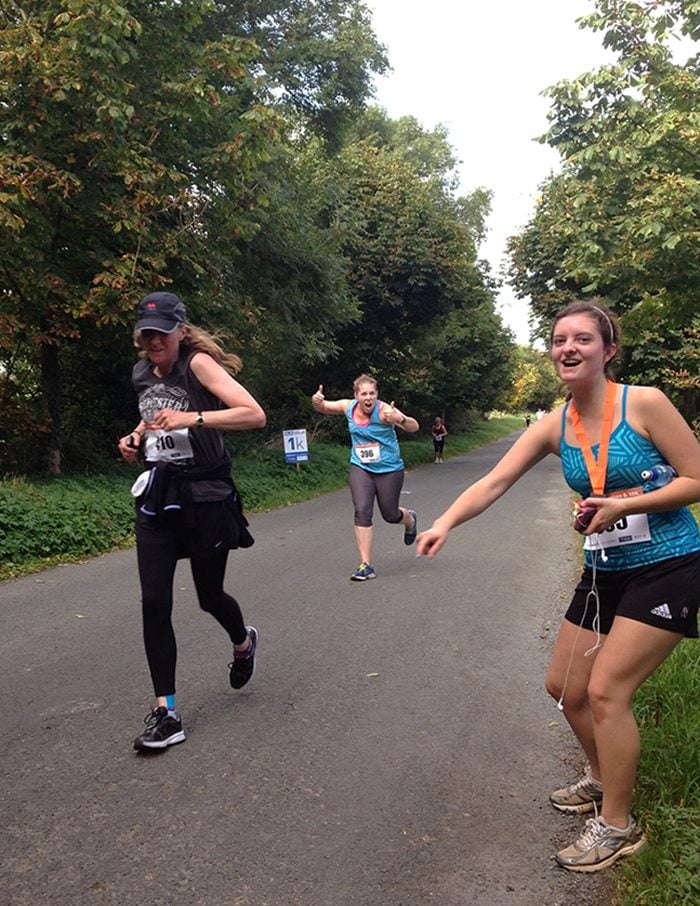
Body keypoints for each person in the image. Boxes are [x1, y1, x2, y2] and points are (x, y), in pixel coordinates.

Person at [416, 300, 700, 872]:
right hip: (603, 570)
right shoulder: (554, 425)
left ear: (608, 350)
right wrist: (444, 521)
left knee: (605, 692)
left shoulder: (643, 403)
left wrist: (624, 503)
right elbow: (494, 481)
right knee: (566, 690)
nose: (568, 348)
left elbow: (697, 479)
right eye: (558, 340)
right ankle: (603, 778)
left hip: (669, 563)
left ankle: (618, 826)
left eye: (583, 339)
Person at [118, 291, 266, 752]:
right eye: (147, 333)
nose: (154, 340)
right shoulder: (142, 372)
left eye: (162, 331)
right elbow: (152, 419)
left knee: (208, 597)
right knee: (153, 602)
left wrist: (194, 416)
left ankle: (242, 641)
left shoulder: (198, 364)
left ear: (180, 331)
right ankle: (167, 713)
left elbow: (254, 414)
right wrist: (135, 436)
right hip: (160, 497)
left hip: (206, 497)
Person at [311, 375, 420, 581]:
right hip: (361, 467)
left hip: (389, 469)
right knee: (362, 510)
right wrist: (316, 401)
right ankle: (366, 565)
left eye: (372, 393)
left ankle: (409, 519)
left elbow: (415, 426)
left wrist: (400, 419)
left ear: (377, 395)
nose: (368, 398)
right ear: (356, 396)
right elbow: (324, 406)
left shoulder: (385, 411)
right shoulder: (348, 407)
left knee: (390, 514)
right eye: (364, 394)